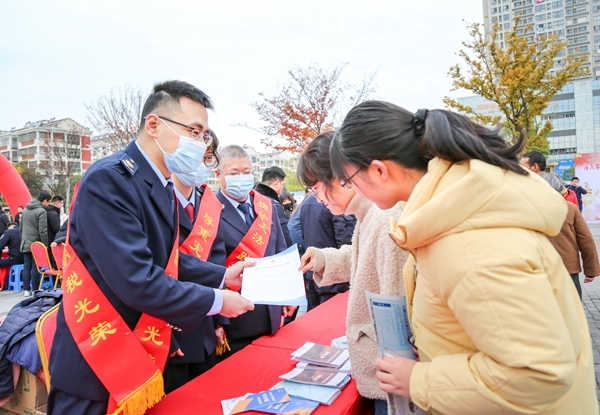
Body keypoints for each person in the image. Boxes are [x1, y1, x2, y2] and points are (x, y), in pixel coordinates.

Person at [330, 101, 598, 414]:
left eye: (349, 180)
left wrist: (420, 380)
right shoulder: (454, 214)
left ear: (379, 169)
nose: (354, 190)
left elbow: (537, 373)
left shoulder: (466, 242)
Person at [47, 80, 255, 415]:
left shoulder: (159, 183)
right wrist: (217, 301)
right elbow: (137, 277)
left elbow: (167, 260)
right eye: (194, 131)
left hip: (141, 349)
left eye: (204, 135)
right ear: (154, 124)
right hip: (99, 358)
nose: (200, 143)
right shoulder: (110, 179)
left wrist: (222, 275)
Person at [297, 132, 408, 415]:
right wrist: (324, 259)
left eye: (316, 188)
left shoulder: (384, 217)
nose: (317, 199)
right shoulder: (370, 213)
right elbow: (363, 257)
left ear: (339, 175)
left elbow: (398, 309)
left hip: (394, 381)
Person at [215, 145, 295, 358]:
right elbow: (208, 268)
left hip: (272, 313)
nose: (241, 178)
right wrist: (217, 321)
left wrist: (288, 295)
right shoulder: (208, 211)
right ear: (218, 175)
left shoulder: (267, 205)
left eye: (247, 172)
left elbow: (280, 251)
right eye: (234, 173)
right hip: (236, 319)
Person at [167, 131, 231, 392]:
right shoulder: (155, 198)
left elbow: (217, 263)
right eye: (196, 155)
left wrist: (220, 321)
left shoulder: (209, 204)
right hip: (167, 326)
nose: (201, 164)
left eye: (208, 157)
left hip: (205, 323)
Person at [541, 172, 599, 299]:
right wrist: (591, 269)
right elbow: (586, 239)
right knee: (571, 306)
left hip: (539, 268)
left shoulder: (530, 209)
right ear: (561, 189)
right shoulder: (571, 209)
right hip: (568, 267)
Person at [299, 193, 355, 310]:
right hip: (332, 274)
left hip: (314, 271)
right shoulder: (333, 201)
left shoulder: (307, 202)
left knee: (315, 315)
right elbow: (345, 241)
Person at [19, 190, 51, 297]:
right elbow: (43, 230)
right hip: (36, 243)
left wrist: (23, 239)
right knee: (36, 266)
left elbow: (20, 228)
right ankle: (35, 289)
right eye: (48, 202)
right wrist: (45, 244)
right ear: (45, 200)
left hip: (25, 241)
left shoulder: (25, 210)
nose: (48, 204)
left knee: (26, 266)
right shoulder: (41, 211)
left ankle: (26, 289)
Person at [254, 166, 293, 247]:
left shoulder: (252, 199)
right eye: (282, 184)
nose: (282, 187)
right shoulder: (274, 205)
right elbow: (284, 236)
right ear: (277, 182)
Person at [45, 195, 64, 266]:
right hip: (52, 239)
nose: (62, 205)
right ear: (57, 203)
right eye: (62, 203)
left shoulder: (46, 210)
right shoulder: (53, 214)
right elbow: (57, 229)